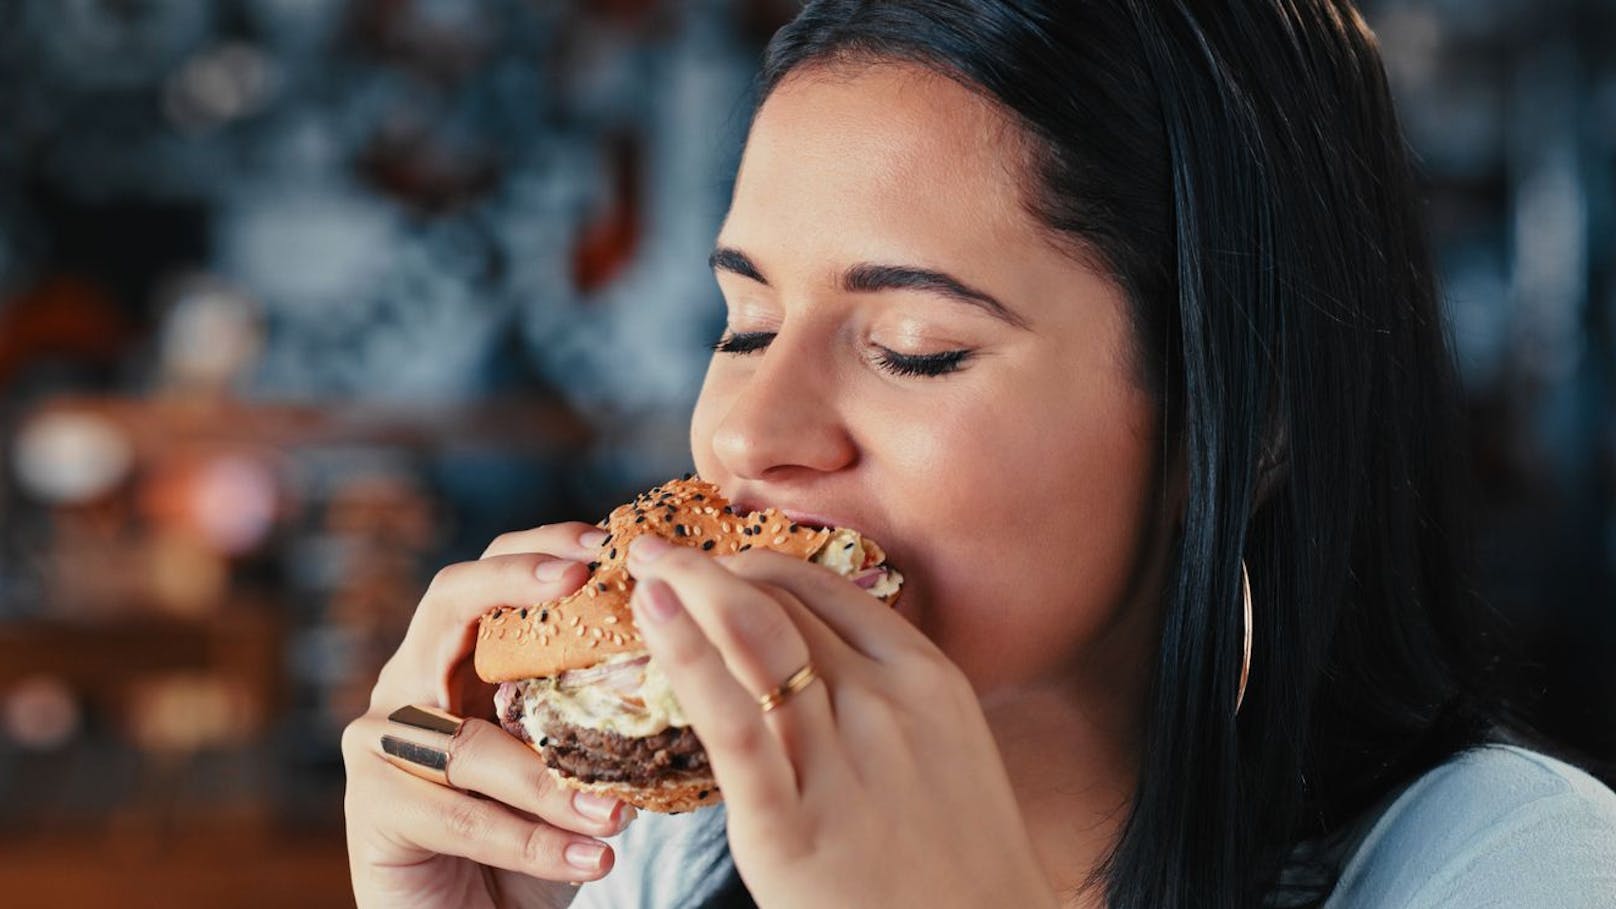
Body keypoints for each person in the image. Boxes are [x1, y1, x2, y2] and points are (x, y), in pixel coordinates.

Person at [341, 1, 1616, 906]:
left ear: (1245, 419)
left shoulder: (1518, 872)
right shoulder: (670, 861)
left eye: (911, 347)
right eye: (745, 325)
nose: (744, 435)